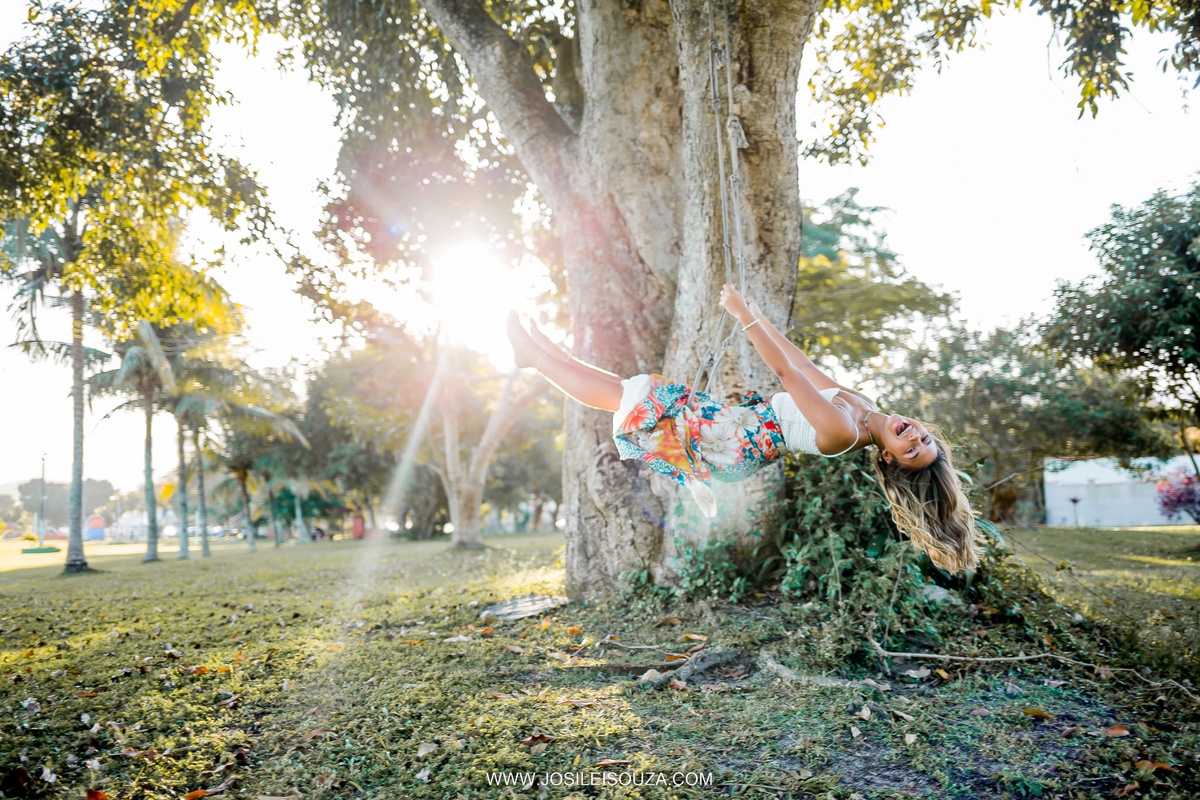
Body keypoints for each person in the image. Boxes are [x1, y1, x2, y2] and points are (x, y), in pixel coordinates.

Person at [506, 284, 984, 574]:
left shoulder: (844, 432)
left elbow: (789, 377)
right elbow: (803, 362)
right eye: (924, 438)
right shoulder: (863, 405)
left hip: (734, 445)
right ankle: (545, 352)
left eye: (910, 449)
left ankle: (540, 359)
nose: (914, 436)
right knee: (635, 391)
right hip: (737, 428)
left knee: (634, 401)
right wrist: (754, 311)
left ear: (888, 458)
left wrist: (744, 315)